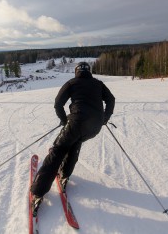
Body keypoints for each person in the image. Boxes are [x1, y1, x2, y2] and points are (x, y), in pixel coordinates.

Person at [30, 61, 115, 211]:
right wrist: (104, 119)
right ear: (89, 71)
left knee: (58, 150)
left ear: (76, 71)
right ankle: (65, 174)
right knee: (75, 142)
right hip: (94, 127)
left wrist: (64, 121)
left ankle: (38, 192)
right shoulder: (98, 83)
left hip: (76, 121)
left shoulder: (71, 83)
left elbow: (58, 104)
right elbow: (111, 100)